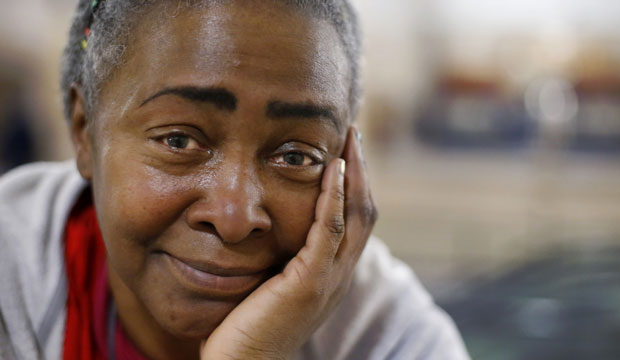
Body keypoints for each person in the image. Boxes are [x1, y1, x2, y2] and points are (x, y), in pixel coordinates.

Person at [0, 0, 470, 359]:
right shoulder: (12, 272)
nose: (234, 217)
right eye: (179, 141)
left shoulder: (386, 334)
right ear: (85, 134)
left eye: (296, 155)